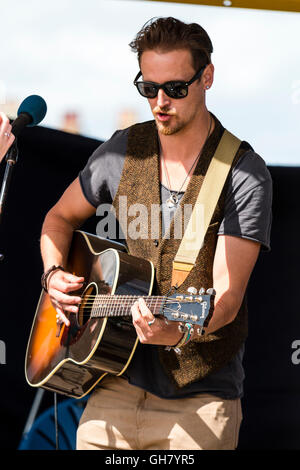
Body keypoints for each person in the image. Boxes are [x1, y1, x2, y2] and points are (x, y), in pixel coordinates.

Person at [40, 17, 272, 450]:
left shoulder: (243, 174)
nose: (160, 102)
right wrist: (53, 275)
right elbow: (57, 220)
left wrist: (181, 332)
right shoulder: (121, 150)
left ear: (207, 77)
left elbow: (225, 298)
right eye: (149, 89)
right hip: (112, 387)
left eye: (175, 89)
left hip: (198, 402)